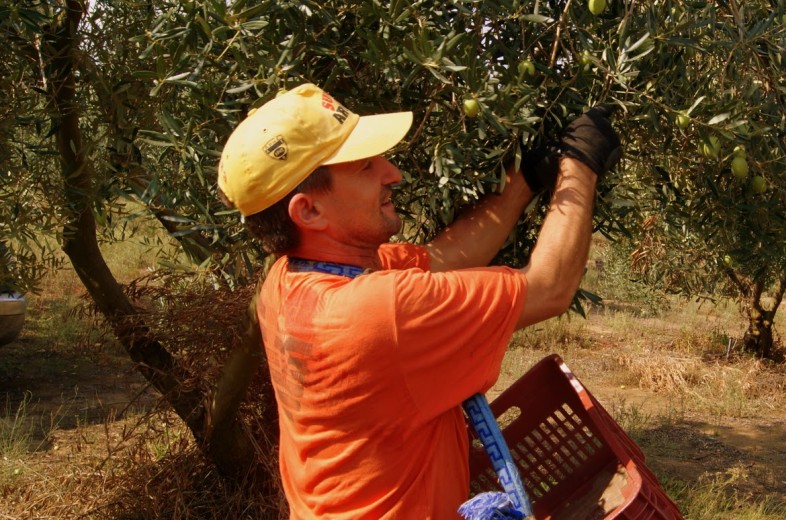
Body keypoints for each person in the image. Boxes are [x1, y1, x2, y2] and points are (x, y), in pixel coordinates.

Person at [216, 83, 621, 519]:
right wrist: (581, 164)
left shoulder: (289, 279)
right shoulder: (379, 313)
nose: (392, 173)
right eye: (366, 167)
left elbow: (448, 256)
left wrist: (527, 179)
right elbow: (550, 287)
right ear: (309, 212)